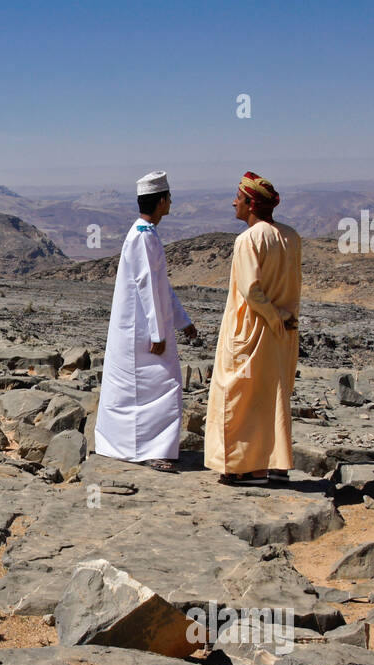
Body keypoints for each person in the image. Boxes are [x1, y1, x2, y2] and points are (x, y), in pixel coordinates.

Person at [94, 170, 200, 473]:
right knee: (163, 386)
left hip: (145, 328)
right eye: (169, 198)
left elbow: (161, 287)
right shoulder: (142, 236)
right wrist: (157, 332)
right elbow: (146, 285)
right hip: (141, 332)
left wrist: (183, 321)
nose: (171, 203)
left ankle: (139, 447)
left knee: (148, 388)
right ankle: (148, 450)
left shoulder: (146, 234)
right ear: (162, 200)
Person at [204, 172, 302, 485]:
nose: (234, 202)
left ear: (251, 204)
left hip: (253, 331)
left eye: (238, 198)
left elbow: (251, 290)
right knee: (273, 396)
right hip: (283, 332)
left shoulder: (249, 239)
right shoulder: (290, 236)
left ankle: (244, 468)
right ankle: (275, 464)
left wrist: (274, 316)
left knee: (239, 396)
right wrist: (283, 319)